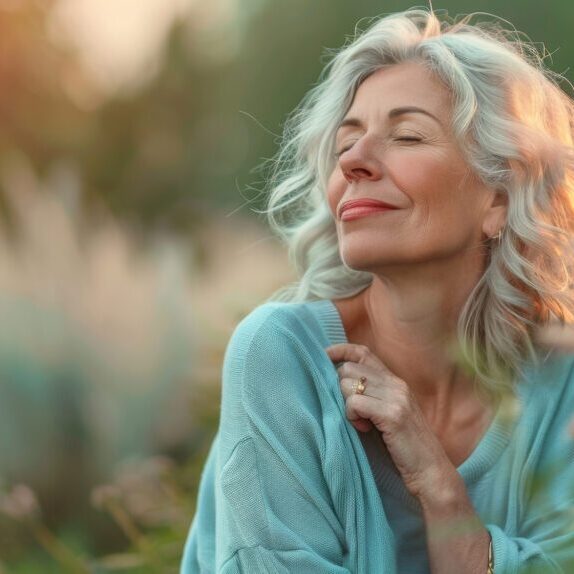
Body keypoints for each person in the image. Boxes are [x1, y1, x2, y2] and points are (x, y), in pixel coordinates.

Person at [181, 7, 574, 573]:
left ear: (500, 198)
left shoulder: (561, 381)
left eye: (407, 135)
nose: (355, 162)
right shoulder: (283, 358)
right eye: (346, 141)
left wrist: (440, 490)